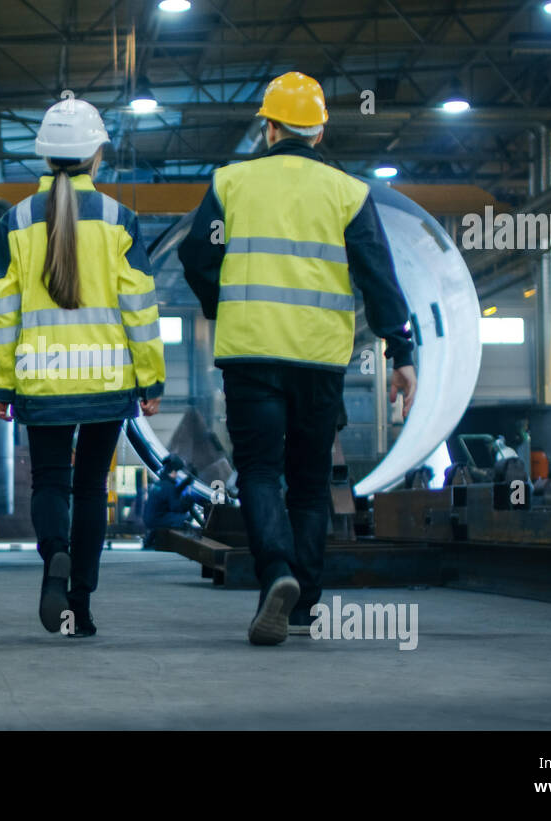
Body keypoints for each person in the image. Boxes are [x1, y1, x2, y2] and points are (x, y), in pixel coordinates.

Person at [178, 71, 417, 646]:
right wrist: (402, 351)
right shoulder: (349, 193)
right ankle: (305, 603)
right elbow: (378, 278)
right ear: (317, 135)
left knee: (259, 472)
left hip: (251, 354)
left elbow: (196, 255)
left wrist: (221, 304)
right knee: (310, 484)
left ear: (270, 128)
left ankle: (276, 574)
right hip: (318, 359)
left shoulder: (230, 183)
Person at [0, 94, 165, 638]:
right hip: (105, 381)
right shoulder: (120, 219)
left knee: (49, 483)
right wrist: (149, 376)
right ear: (96, 158)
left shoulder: (14, 221)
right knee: (90, 489)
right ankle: (79, 606)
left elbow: (0, 309)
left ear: (44, 158)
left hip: (41, 380)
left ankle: (54, 558)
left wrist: (1, 381)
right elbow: (140, 308)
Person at [142, 454, 198, 547]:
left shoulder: (160, 484)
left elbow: (173, 493)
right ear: (173, 472)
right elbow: (176, 507)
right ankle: (186, 545)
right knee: (184, 519)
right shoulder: (168, 487)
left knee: (171, 517)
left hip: (149, 518)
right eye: (177, 472)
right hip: (158, 519)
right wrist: (188, 502)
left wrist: (187, 481)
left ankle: (150, 539)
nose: (177, 474)